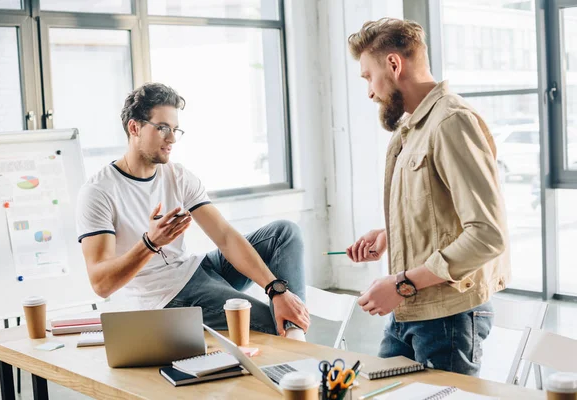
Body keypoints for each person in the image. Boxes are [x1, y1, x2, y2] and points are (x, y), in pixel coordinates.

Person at [76, 82, 309, 339]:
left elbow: (225, 237)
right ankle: (298, 345)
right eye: (163, 128)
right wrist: (151, 243)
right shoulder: (98, 192)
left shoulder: (177, 176)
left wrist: (276, 290)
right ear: (135, 127)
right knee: (271, 321)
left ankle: (295, 331)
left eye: (175, 129)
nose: (172, 138)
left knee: (284, 233)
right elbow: (101, 284)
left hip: (196, 269)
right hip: (165, 297)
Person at [346, 18, 510, 376]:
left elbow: (487, 235)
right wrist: (390, 235)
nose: (370, 92)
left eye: (367, 77)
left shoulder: (452, 122)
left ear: (393, 64)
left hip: (448, 318)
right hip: (410, 310)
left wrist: (402, 283)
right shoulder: (411, 128)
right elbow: (440, 207)